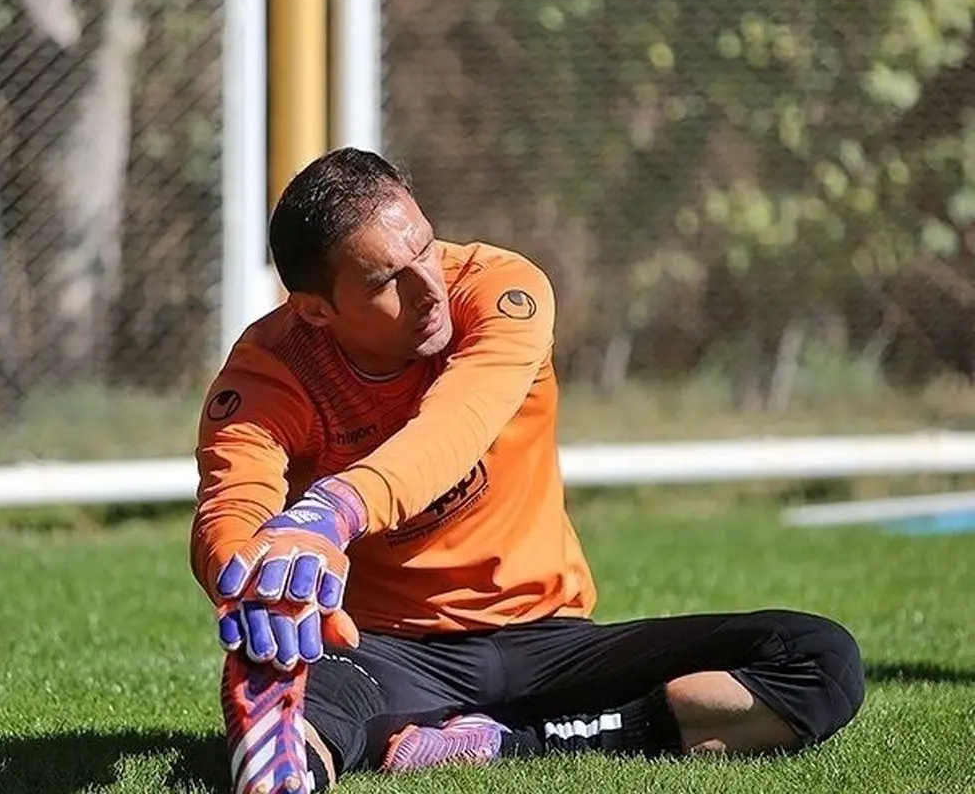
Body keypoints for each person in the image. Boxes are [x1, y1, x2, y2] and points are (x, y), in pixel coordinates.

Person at [190, 147, 865, 793]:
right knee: (288, 675)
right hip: (388, 652)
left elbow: (454, 425)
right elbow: (232, 503)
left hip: (551, 642)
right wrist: (250, 579)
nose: (428, 287)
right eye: (386, 281)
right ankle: (286, 761)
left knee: (817, 657)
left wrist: (332, 511)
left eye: (425, 247)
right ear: (316, 310)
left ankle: (500, 744)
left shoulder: (502, 289)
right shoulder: (271, 369)